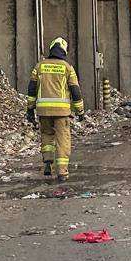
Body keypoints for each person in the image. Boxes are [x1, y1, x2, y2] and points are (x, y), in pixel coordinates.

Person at [26, 37, 84, 181]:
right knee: (62, 139)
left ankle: (47, 163)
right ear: (64, 51)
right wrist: (80, 110)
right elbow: (75, 91)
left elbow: (32, 89)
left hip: (43, 111)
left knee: (47, 135)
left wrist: (29, 109)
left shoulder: (39, 67)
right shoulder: (67, 68)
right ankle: (62, 172)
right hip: (61, 112)